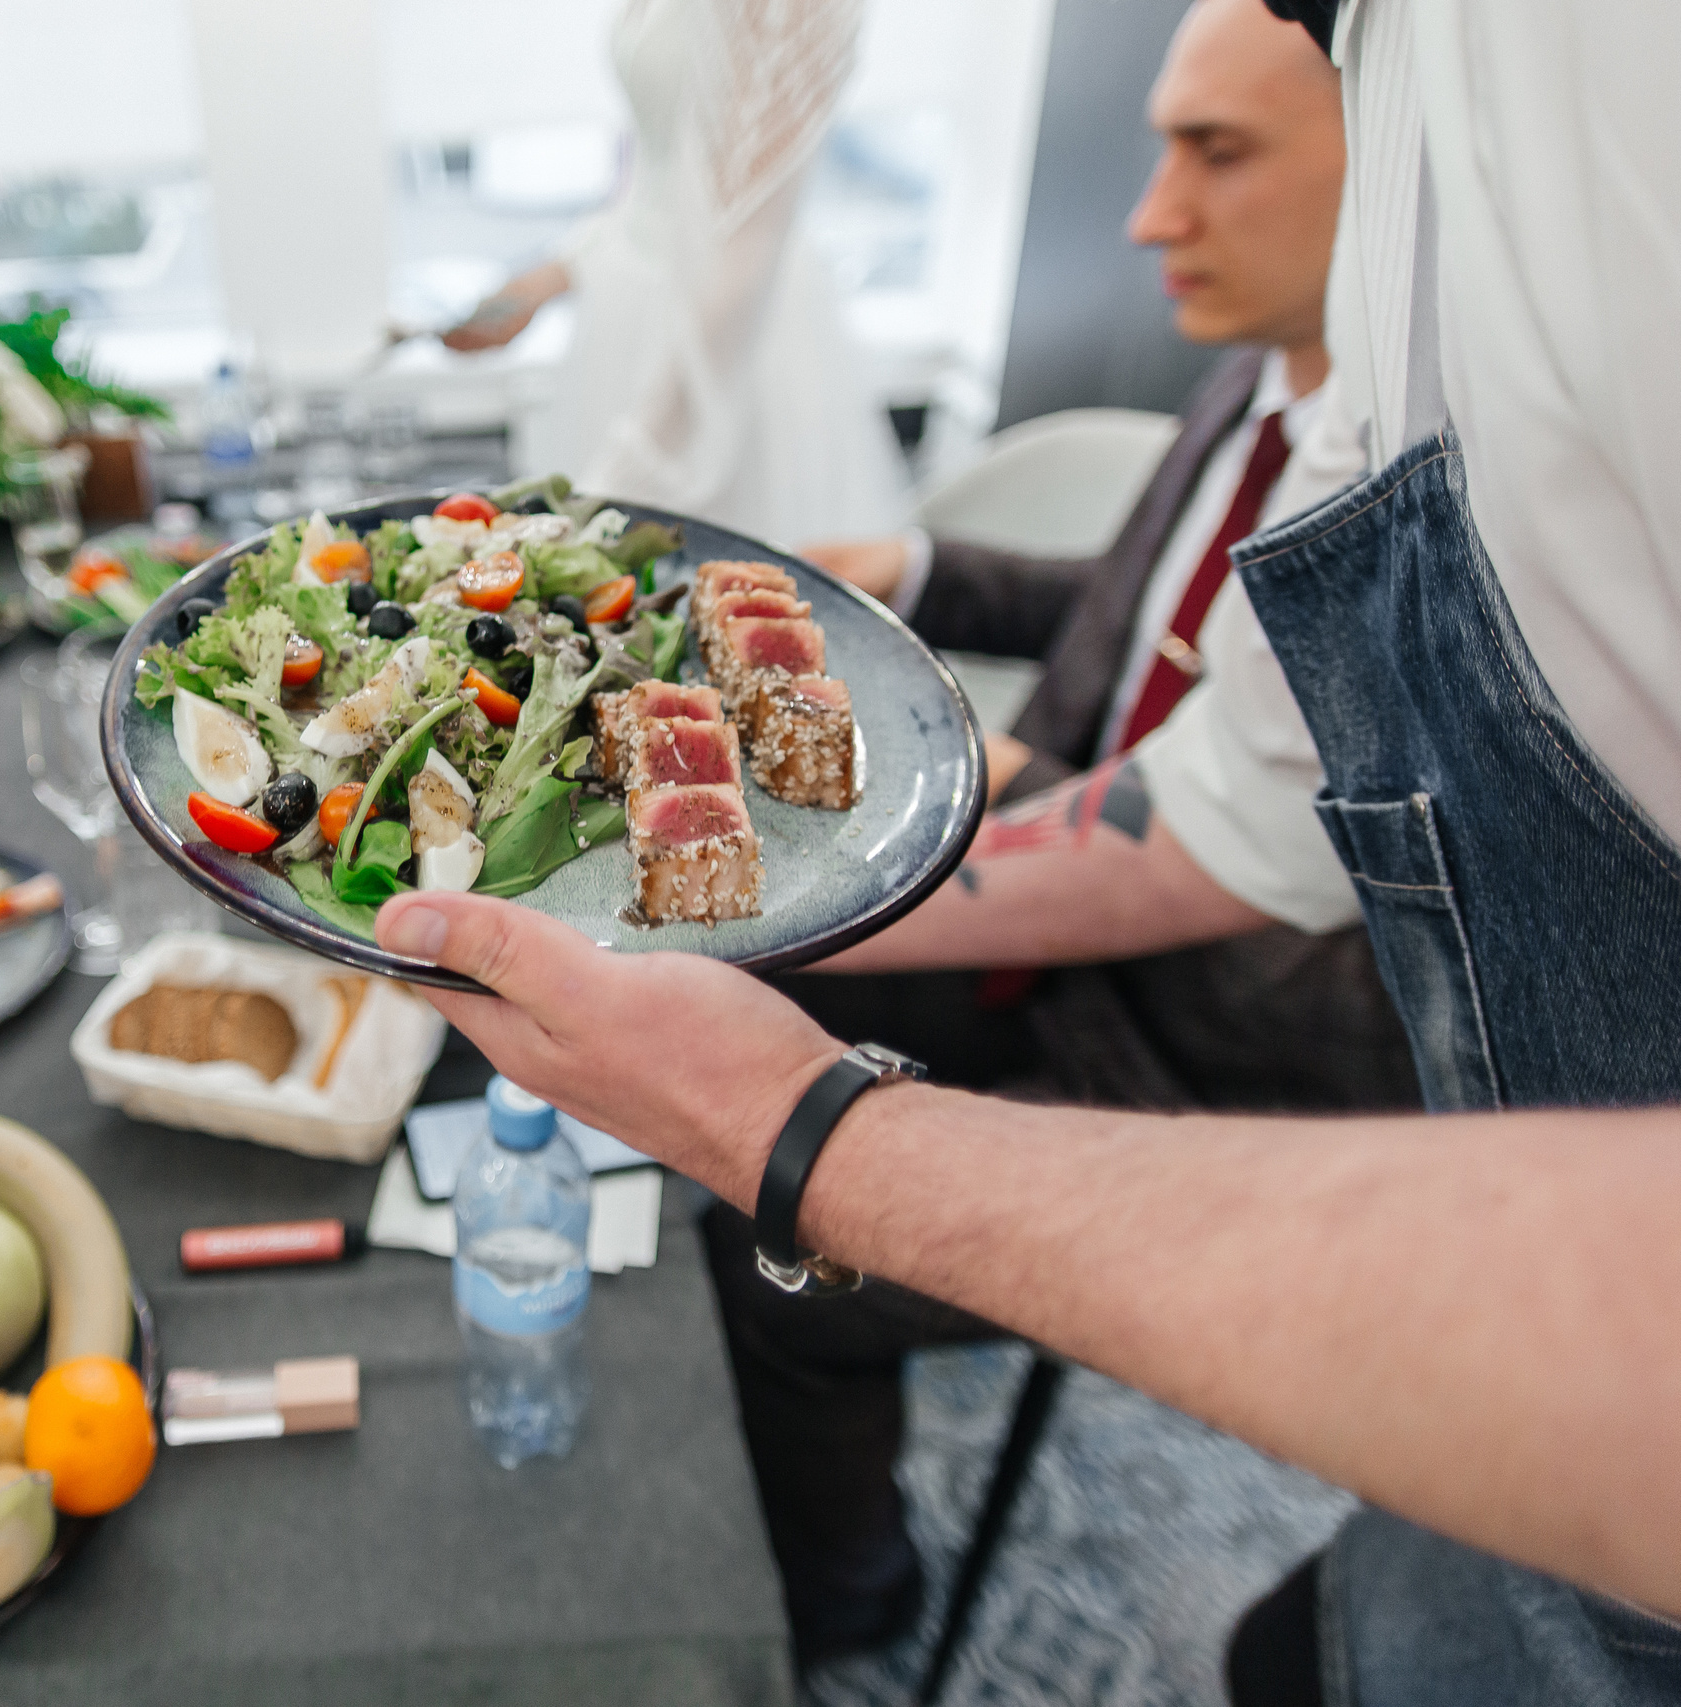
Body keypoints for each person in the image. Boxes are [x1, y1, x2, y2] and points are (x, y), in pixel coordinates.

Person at [371, 0, 1681, 1698]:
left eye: (1217, 150)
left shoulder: (1628, 87)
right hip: (1516, 1476)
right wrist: (763, 920)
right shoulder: (1374, 270)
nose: (1151, 209)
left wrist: (805, 1132)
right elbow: (1221, 801)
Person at [694, 1, 1407, 1671]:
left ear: (1400, 164)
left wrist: (1014, 805)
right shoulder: (1256, 380)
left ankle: (851, 1601)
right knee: (731, 1049)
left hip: (1205, 1066)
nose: (1150, 212)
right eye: (1160, 144)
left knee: (765, 1249)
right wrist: (924, 569)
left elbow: (1353, 946)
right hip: (1054, 913)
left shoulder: (1419, 512)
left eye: (1216, 154)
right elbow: (1140, 607)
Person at [439, 0, 910, 546]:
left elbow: (741, 249)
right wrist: (550, 278)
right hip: (630, 326)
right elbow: (662, 178)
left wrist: (627, 475)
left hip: (721, 353)